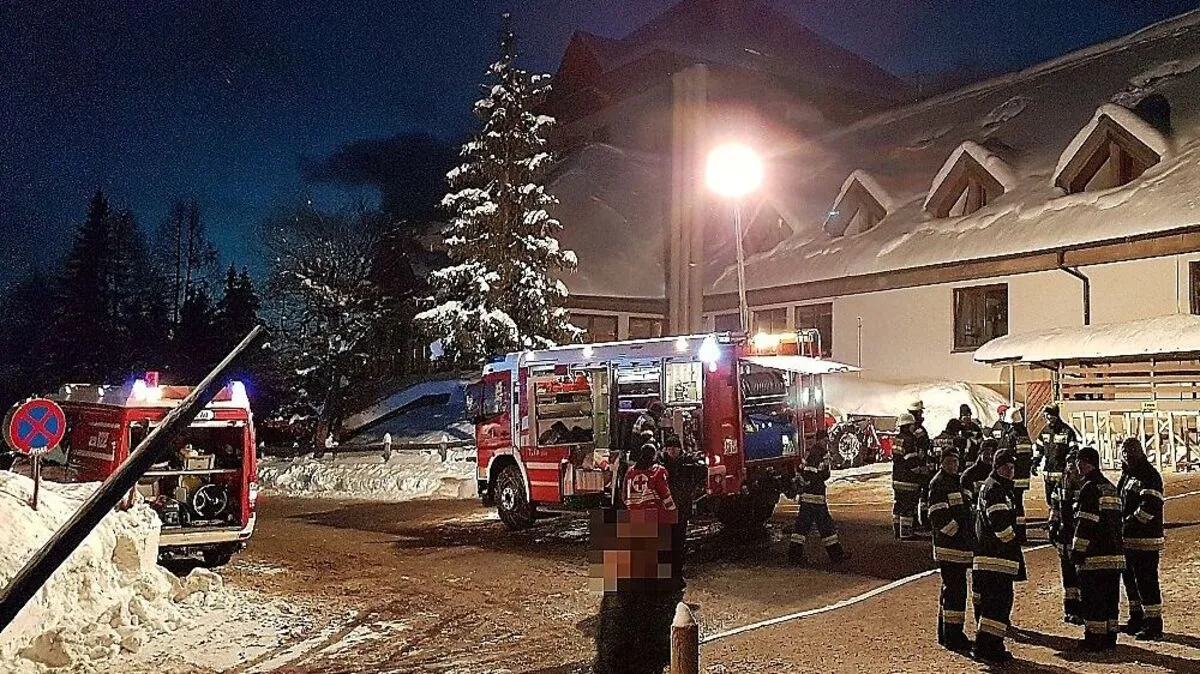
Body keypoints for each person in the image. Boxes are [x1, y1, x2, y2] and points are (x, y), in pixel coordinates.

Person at [972, 448, 1024, 664]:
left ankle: (991, 646)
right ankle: (988, 648)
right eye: (1006, 467)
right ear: (997, 467)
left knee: (995, 606)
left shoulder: (996, 487)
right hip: (996, 559)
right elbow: (1001, 526)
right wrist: (1013, 543)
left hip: (993, 559)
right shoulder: (995, 489)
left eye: (1012, 467)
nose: (1010, 471)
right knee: (997, 606)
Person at [1071, 446, 1125, 651]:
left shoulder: (1090, 488)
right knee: (1111, 598)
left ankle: (1095, 638)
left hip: (1095, 556)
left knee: (1094, 599)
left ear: (1086, 463)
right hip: (1115, 555)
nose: (1077, 465)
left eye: (1079, 461)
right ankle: (1110, 636)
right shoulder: (1110, 487)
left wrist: (1077, 551)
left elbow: (1086, 523)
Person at [1117, 437, 1165, 641]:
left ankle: (1154, 624)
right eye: (1124, 452)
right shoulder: (1127, 475)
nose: (1127, 456)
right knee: (1130, 582)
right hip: (1128, 540)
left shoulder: (1149, 476)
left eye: (1130, 452)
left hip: (1146, 541)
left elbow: (1149, 508)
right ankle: (1136, 618)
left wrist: (1127, 523)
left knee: (1147, 582)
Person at [927, 445, 973, 652]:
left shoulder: (954, 481)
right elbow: (938, 516)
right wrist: (958, 533)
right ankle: (953, 637)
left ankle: (946, 634)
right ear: (942, 463)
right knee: (955, 593)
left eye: (955, 461)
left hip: (956, 549)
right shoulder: (939, 483)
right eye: (949, 462)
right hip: (950, 549)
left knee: (951, 592)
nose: (953, 465)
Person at [789, 433, 851, 565]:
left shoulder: (811, 453)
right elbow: (820, 475)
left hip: (808, 497)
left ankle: (794, 555)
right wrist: (819, 478)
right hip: (815, 497)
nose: (826, 443)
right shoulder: (820, 453)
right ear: (821, 440)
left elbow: (803, 472)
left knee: (802, 528)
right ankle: (837, 555)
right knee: (825, 526)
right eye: (825, 440)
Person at [660, 436, 705, 581]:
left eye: (675, 448)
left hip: (682, 507)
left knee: (679, 539)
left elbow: (701, 472)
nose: (672, 451)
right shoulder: (660, 464)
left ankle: (677, 571)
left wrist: (691, 488)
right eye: (670, 448)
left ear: (680, 449)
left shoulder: (687, 463)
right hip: (666, 508)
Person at [1049, 447, 1084, 625]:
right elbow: (1055, 505)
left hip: (1080, 536)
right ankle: (1071, 609)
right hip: (1064, 537)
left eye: (1074, 462)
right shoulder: (1062, 483)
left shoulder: (1086, 484)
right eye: (1068, 462)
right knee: (1068, 576)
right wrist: (1052, 524)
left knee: (1081, 576)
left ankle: (1084, 610)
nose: (1071, 466)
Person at [1036, 404, 1078, 505]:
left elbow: (1073, 450)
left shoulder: (1067, 431)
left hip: (1062, 473)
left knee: (1062, 501)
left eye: (1050, 414)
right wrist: (1035, 462)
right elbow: (1039, 449)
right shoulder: (1044, 431)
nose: (1048, 417)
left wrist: (1070, 463)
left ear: (1056, 415)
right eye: (1046, 415)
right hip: (1048, 473)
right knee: (1049, 501)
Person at [892, 412, 924, 540]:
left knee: (898, 505)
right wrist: (920, 470)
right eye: (912, 425)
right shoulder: (910, 440)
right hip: (908, 479)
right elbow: (911, 460)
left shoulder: (897, 439)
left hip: (897, 477)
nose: (914, 427)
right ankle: (906, 533)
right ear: (908, 426)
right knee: (908, 506)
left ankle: (897, 530)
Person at [623, 442, 677, 518]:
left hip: (634, 514)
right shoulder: (658, 471)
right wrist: (672, 511)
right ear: (654, 455)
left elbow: (624, 495)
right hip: (653, 513)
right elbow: (664, 494)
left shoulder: (630, 472)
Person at [961, 438, 996, 512]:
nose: (990, 456)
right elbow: (966, 500)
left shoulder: (998, 474)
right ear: (980, 453)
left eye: (993, 454)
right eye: (987, 453)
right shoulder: (968, 475)